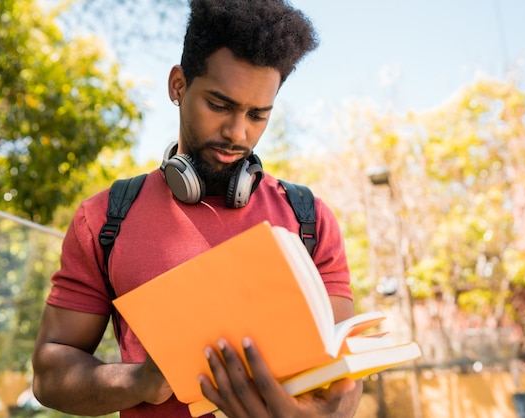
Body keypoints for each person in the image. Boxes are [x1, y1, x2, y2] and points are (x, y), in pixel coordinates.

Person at [31, 0, 364, 417]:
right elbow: (49, 372)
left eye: (258, 115)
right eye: (220, 105)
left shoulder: (309, 219)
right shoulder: (104, 220)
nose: (237, 132)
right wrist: (138, 381)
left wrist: (320, 414)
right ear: (178, 85)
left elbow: (346, 379)